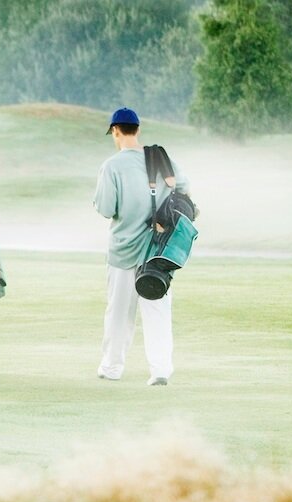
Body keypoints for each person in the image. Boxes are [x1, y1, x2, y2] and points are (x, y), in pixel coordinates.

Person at [93, 108, 188, 386]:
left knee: (119, 311)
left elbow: (106, 208)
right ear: (138, 130)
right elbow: (184, 187)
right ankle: (160, 369)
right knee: (157, 308)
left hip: (123, 251)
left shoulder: (111, 166)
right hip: (158, 251)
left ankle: (112, 367)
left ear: (115, 131)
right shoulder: (159, 157)